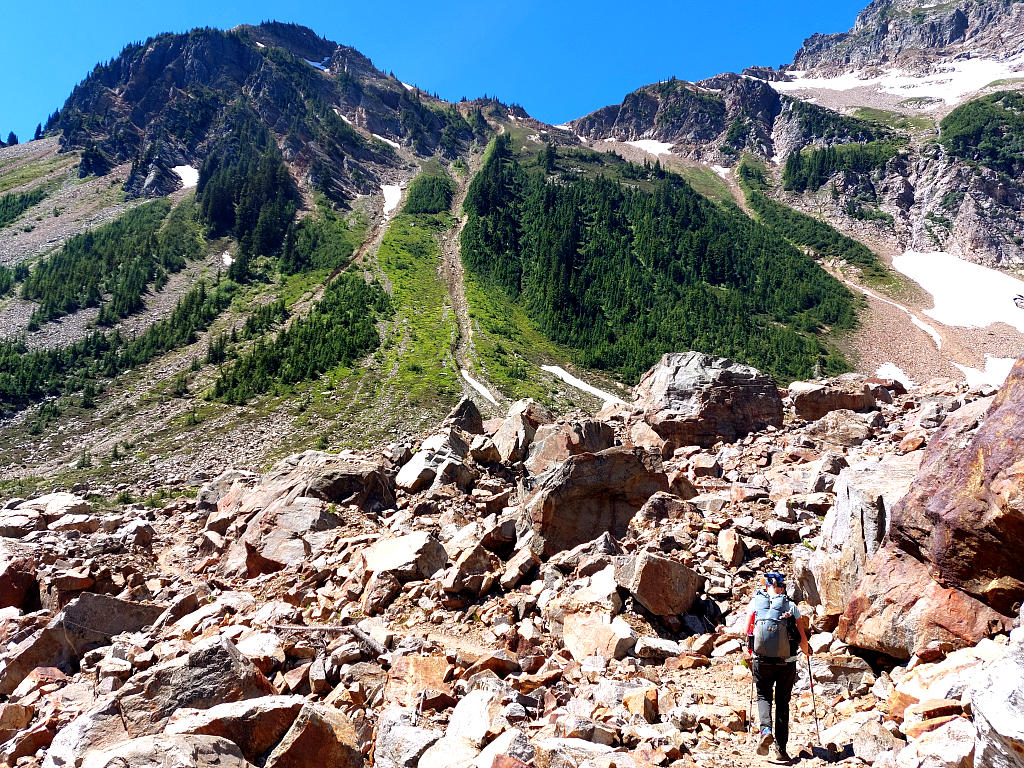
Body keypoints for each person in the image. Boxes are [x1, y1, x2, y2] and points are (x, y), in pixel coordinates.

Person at [743, 571, 811, 763]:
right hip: (786, 662)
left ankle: (765, 730)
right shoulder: (791, 606)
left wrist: (751, 652)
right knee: (782, 702)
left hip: (761, 660)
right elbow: (801, 639)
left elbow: (747, 631)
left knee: (764, 695)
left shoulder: (756, 603)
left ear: (766, 587)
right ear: (782, 588)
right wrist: (807, 652)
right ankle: (781, 749)